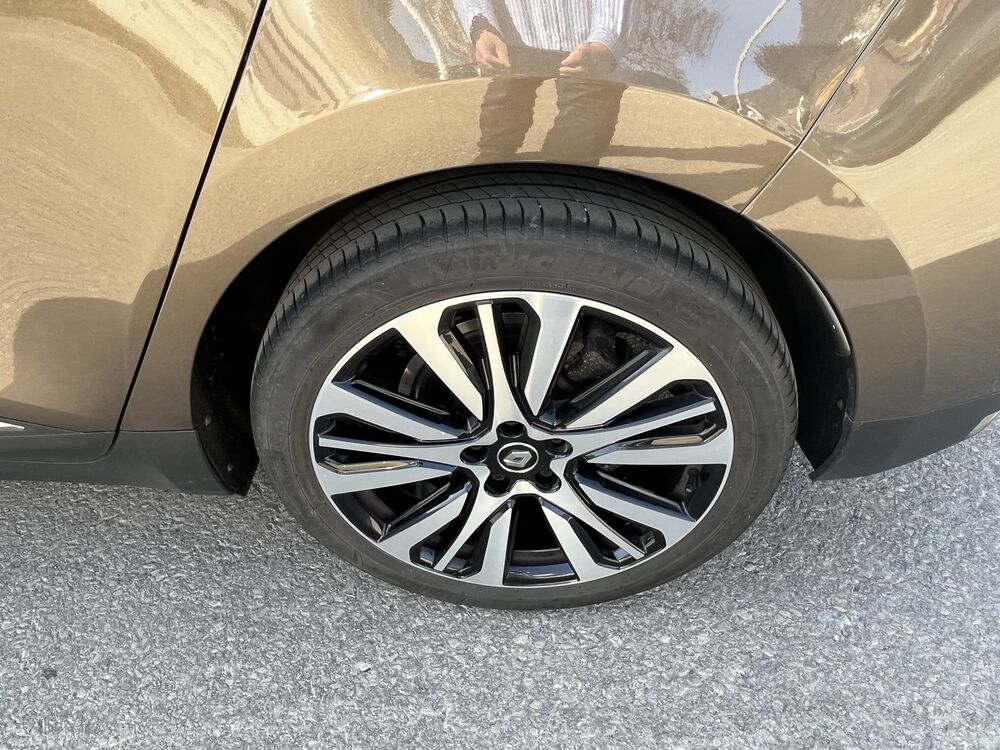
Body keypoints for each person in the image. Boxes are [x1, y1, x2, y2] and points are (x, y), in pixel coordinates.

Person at [453, 0, 632, 164]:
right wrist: (481, 24)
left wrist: (605, 43)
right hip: (510, 40)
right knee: (495, 140)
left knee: (570, 153)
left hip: (589, 48)